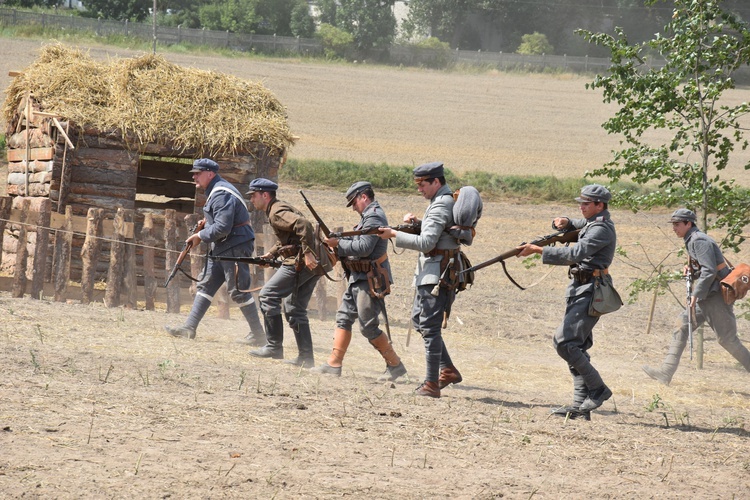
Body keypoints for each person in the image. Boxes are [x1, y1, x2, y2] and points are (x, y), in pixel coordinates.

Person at [517, 184, 616, 417]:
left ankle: (598, 389)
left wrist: (537, 250)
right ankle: (580, 407)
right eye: (579, 203)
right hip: (581, 287)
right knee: (576, 347)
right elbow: (579, 224)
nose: (581, 207)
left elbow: (574, 253)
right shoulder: (593, 221)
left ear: (599, 206)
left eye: (585, 204)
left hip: (592, 290)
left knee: (564, 343)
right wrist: (565, 221)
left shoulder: (602, 229)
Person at [378, 162, 462, 398]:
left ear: (436, 182)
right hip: (435, 272)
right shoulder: (442, 202)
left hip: (436, 275)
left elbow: (427, 244)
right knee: (421, 321)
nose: (419, 189)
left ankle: (432, 383)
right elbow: (435, 233)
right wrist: (417, 225)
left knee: (429, 327)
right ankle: (447, 370)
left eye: (423, 184)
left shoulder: (440, 205)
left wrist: (395, 234)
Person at [311, 181, 407, 381]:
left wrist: (338, 244)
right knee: (343, 317)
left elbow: (364, 248)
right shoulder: (368, 217)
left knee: (368, 326)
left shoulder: (374, 216)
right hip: (359, 277)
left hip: (370, 279)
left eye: (354, 202)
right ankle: (334, 364)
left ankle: (395, 366)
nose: (354, 207)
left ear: (364, 197)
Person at [642, 209, 750, 384]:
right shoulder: (692, 239)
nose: (674, 228)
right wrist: (692, 270)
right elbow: (705, 268)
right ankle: (666, 372)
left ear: (688, 224)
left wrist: (695, 294)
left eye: (677, 224)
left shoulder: (699, 240)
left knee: (728, 340)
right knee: (682, 326)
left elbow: (709, 271)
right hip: (707, 296)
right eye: (673, 225)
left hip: (715, 298)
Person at [165, 158, 264, 344]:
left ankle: (259, 335)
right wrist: (206, 223)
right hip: (223, 246)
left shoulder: (220, 193)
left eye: (198, 173)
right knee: (206, 284)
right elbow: (220, 220)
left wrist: (200, 236)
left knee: (238, 290)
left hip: (234, 246)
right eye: (194, 173)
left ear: (210, 174)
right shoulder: (216, 190)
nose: (194, 176)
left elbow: (223, 227)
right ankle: (189, 328)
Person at [246, 178, 322, 368]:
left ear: (265, 195)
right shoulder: (277, 208)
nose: (252, 200)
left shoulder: (276, 211)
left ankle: (274, 346)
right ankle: (306, 358)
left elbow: (304, 225)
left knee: (267, 295)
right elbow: (288, 238)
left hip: (300, 263)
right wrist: (270, 254)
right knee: (294, 309)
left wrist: (307, 253)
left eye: (254, 195)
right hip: (307, 264)